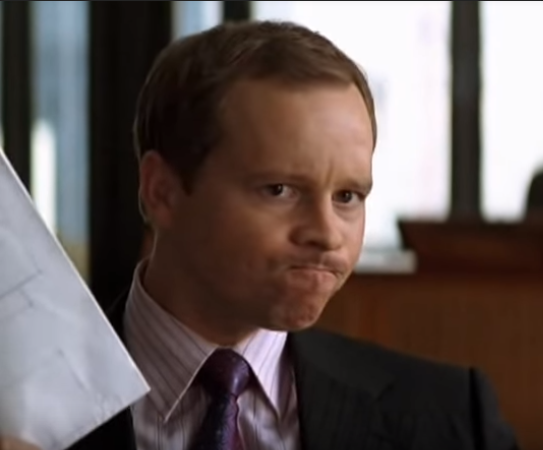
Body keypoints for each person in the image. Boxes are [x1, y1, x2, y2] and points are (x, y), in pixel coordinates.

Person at [6, 20, 519, 450]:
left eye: (347, 196)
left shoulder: (449, 417)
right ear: (162, 192)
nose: (327, 234)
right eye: (279, 190)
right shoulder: (19, 409)